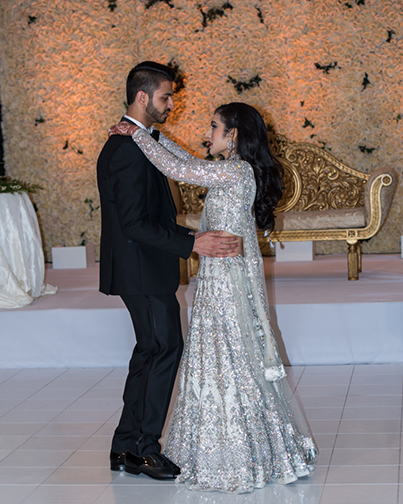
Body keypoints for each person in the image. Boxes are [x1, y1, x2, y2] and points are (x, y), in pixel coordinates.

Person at [109, 102, 318, 493]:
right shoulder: (232, 169)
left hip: (224, 283)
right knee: (224, 359)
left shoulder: (235, 171)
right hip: (218, 276)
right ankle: (230, 445)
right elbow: (187, 161)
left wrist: (135, 133)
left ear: (234, 134)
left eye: (213, 126)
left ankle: (236, 452)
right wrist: (153, 135)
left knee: (229, 359)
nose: (208, 133)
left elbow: (181, 170)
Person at [96, 62, 242, 481]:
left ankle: (125, 446)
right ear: (142, 97)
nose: (171, 104)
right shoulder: (126, 148)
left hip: (145, 267)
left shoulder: (139, 141)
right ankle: (143, 450)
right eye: (166, 97)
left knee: (150, 352)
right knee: (164, 350)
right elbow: (134, 223)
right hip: (140, 269)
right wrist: (194, 242)